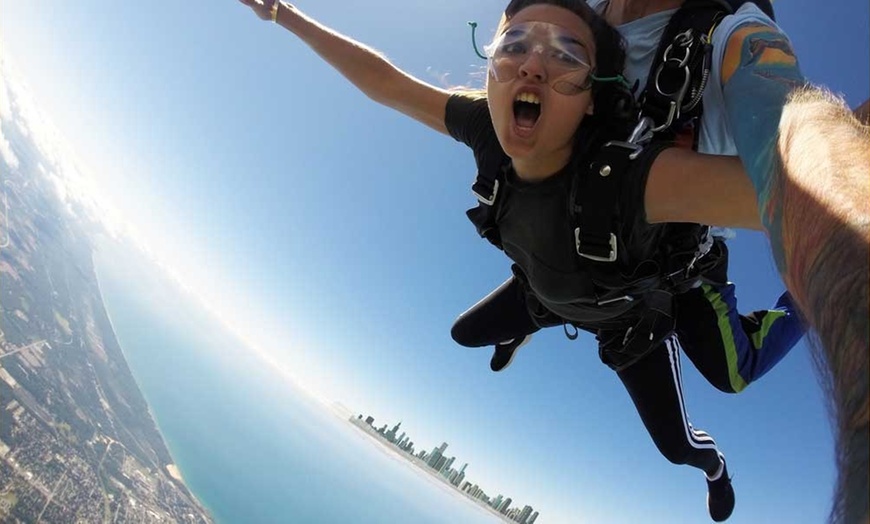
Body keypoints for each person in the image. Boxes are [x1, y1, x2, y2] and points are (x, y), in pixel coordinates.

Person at [235, 0, 862, 520]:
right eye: (512, 48)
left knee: (710, 403)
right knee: (467, 333)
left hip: (627, 313)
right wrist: (284, 13)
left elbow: (799, 168)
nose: (533, 62)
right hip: (543, 284)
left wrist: (848, 167)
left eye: (565, 56)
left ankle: (715, 462)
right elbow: (388, 83)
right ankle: (533, 319)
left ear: (593, 95)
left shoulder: (701, 80)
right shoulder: (493, 111)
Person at [581, 2, 869, 522]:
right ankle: (536, 301)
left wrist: (838, 235)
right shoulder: (576, 22)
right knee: (517, 285)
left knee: (733, 373)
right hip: (598, 266)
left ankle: (792, 312)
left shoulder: (734, 29)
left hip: (684, 261)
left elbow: (790, 124)